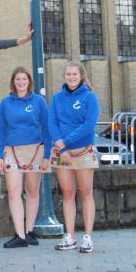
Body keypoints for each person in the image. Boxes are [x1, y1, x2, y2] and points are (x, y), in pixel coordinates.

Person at [0, 67, 52, 248]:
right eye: (17, 79)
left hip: (35, 150)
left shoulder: (39, 102)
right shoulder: (5, 103)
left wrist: (47, 155)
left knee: (33, 191)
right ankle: (19, 235)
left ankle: (29, 231)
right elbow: (0, 129)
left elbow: (47, 128)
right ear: (13, 82)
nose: (21, 82)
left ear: (29, 82)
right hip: (11, 150)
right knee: (13, 191)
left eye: (24, 79)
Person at [48, 61, 100, 254]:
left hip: (83, 152)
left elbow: (88, 125)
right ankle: (69, 236)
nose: (71, 77)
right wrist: (60, 146)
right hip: (62, 153)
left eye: (74, 75)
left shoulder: (90, 98)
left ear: (81, 76)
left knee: (86, 193)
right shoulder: (56, 98)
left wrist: (65, 141)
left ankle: (87, 237)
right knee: (68, 194)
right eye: (68, 74)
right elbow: (52, 122)